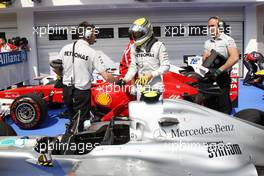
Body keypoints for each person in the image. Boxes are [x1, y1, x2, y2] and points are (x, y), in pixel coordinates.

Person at [50, 21, 116, 131]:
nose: (95, 36)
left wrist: (63, 76)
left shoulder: (65, 48)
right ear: (88, 35)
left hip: (66, 91)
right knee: (82, 123)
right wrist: (119, 81)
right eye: (94, 34)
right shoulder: (92, 52)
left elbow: (55, 68)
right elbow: (107, 77)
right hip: (82, 93)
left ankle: (71, 137)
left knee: (72, 119)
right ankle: (78, 143)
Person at [117, 17, 170, 94]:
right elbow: (133, 67)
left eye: (137, 33)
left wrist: (151, 75)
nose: (135, 35)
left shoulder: (159, 45)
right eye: (134, 33)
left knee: (155, 106)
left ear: (146, 31)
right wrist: (125, 80)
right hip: (140, 86)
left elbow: (166, 66)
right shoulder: (133, 47)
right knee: (140, 106)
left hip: (155, 87)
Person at [202, 16, 239, 114]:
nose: (211, 28)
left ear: (219, 26)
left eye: (213, 25)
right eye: (209, 26)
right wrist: (205, 57)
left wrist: (220, 70)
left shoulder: (228, 40)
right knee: (209, 104)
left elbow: (235, 57)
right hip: (210, 75)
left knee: (224, 105)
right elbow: (204, 62)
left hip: (222, 76)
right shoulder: (207, 42)